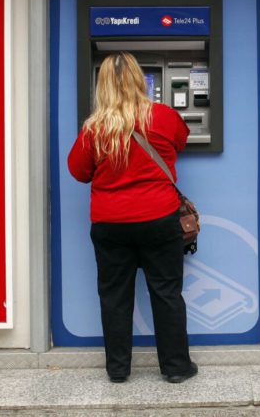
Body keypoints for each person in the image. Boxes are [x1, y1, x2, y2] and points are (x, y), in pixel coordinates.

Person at [67, 52, 197, 384]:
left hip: (111, 224)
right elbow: (181, 141)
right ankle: (176, 367)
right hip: (159, 218)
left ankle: (118, 369)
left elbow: (78, 172)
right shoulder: (164, 116)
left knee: (114, 296)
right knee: (166, 292)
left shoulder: (94, 129)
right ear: (140, 80)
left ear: (102, 85)